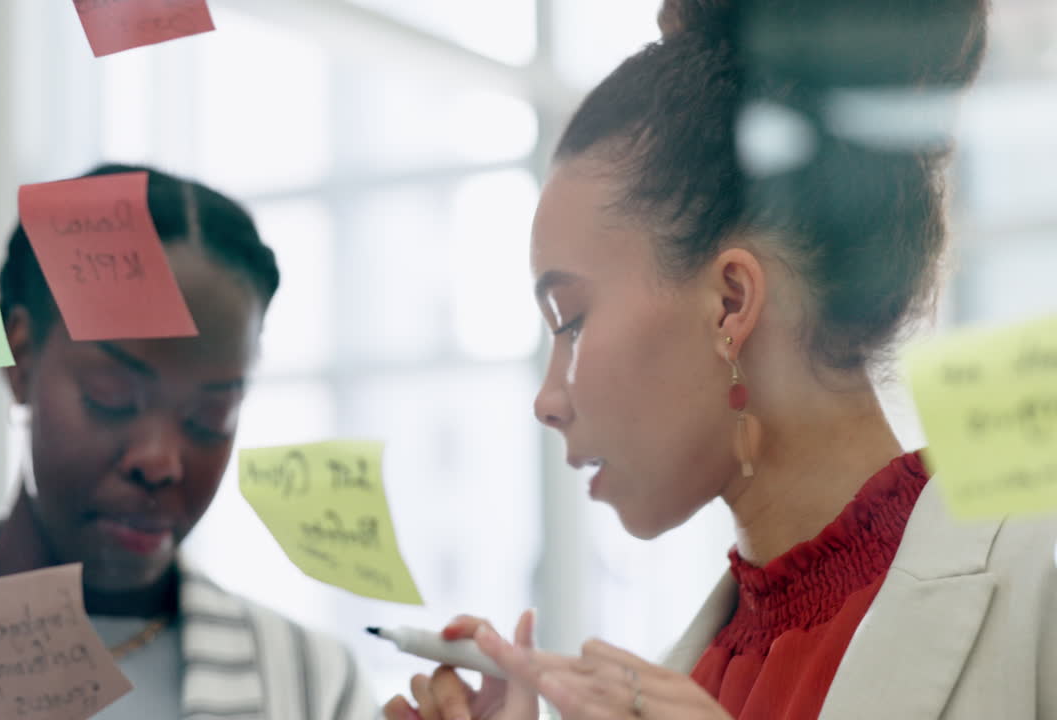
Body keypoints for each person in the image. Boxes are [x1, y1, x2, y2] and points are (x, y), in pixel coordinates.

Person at [384, 1, 1057, 719]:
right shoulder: (689, 677)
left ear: (731, 302)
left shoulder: (1039, 589)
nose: (547, 401)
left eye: (572, 321)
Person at [0, 164, 374, 720]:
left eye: (210, 417)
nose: (160, 462)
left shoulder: (319, 689)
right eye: (112, 397)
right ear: (20, 356)